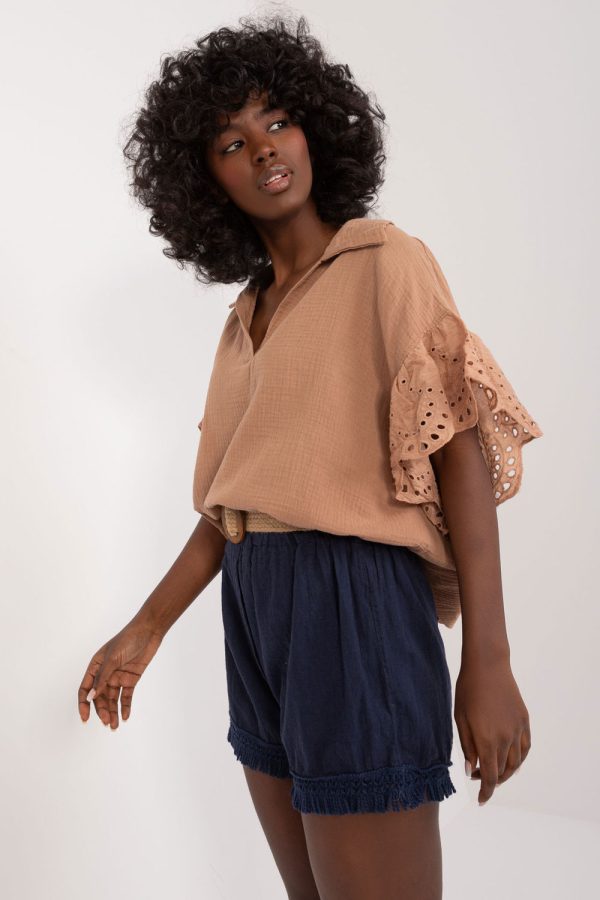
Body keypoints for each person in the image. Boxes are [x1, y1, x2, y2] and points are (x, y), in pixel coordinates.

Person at [77, 13, 543, 900]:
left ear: (316, 129)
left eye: (278, 121)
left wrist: (488, 659)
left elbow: (459, 454)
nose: (263, 148)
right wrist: (146, 627)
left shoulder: (383, 261)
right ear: (205, 180)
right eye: (231, 142)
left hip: (353, 601)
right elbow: (234, 507)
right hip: (256, 609)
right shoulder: (243, 320)